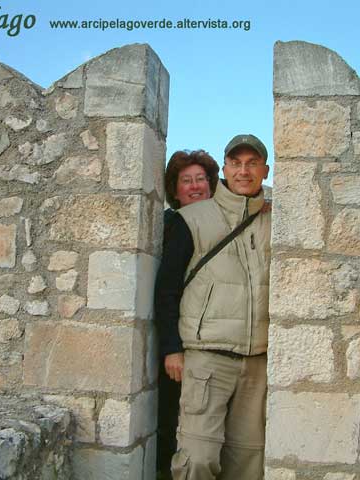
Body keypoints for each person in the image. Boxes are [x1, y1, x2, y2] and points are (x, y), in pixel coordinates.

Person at [155, 134, 271, 480]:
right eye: (236, 163)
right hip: (207, 358)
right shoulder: (191, 219)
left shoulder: (277, 221)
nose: (244, 171)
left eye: (252, 163)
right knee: (198, 458)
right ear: (225, 169)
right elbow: (167, 289)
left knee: (248, 464)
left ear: (265, 170)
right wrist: (172, 348)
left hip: (258, 362)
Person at [157, 149, 220, 478]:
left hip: (213, 345)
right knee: (176, 425)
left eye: (201, 179)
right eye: (186, 181)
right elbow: (167, 291)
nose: (195, 186)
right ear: (175, 189)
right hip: (182, 347)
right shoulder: (176, 225)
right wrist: (171, 348)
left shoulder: (223, 223)